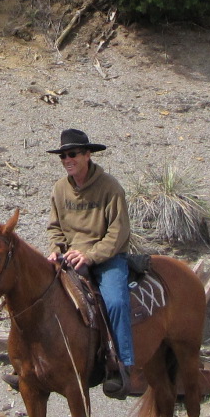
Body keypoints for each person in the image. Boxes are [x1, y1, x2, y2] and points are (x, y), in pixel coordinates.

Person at [45, 127, 144, 398]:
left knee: (114, 300)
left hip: (106, 257)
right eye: (63, 155)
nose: (67, 159)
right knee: (40, 293)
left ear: (88, 155)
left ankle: (121, 366)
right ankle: (34, 363)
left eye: (73, 153)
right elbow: (55, 228)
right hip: (71, 257)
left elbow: (119, 231)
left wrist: (91, 255)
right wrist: (56, 249)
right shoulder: (60, 189)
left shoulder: (110, 187)